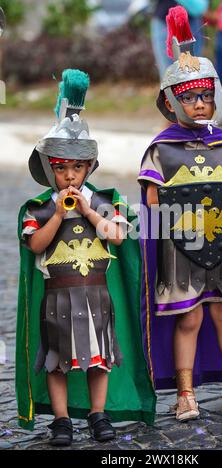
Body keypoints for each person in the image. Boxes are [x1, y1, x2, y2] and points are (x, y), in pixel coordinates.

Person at [16, 69, 156, 446]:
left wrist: (91, 211)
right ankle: (61, 420)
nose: (70, 177)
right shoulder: (41, 209)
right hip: (57, 298)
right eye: (61, 169)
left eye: (77, 168)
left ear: (89, 167)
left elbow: (118, 234)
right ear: (50, 169)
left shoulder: (105, 201)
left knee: (99, 358)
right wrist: (60, 213)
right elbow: (36, 246)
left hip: (96, 297)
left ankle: (98, 413)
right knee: (56, 361)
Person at [138, 6, 222, 422]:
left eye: (205, 95)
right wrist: (155, 256)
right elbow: (154, 203)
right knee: (188, 320)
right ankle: (185, 394)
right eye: (189, 97)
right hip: (179, 252)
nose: (199, 104)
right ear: (172, 102)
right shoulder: (162, 149)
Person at [151, 0, 207, 79]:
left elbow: (199, 8)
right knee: (169, 78)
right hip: (163, 20)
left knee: (191, 77)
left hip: (190, 22)